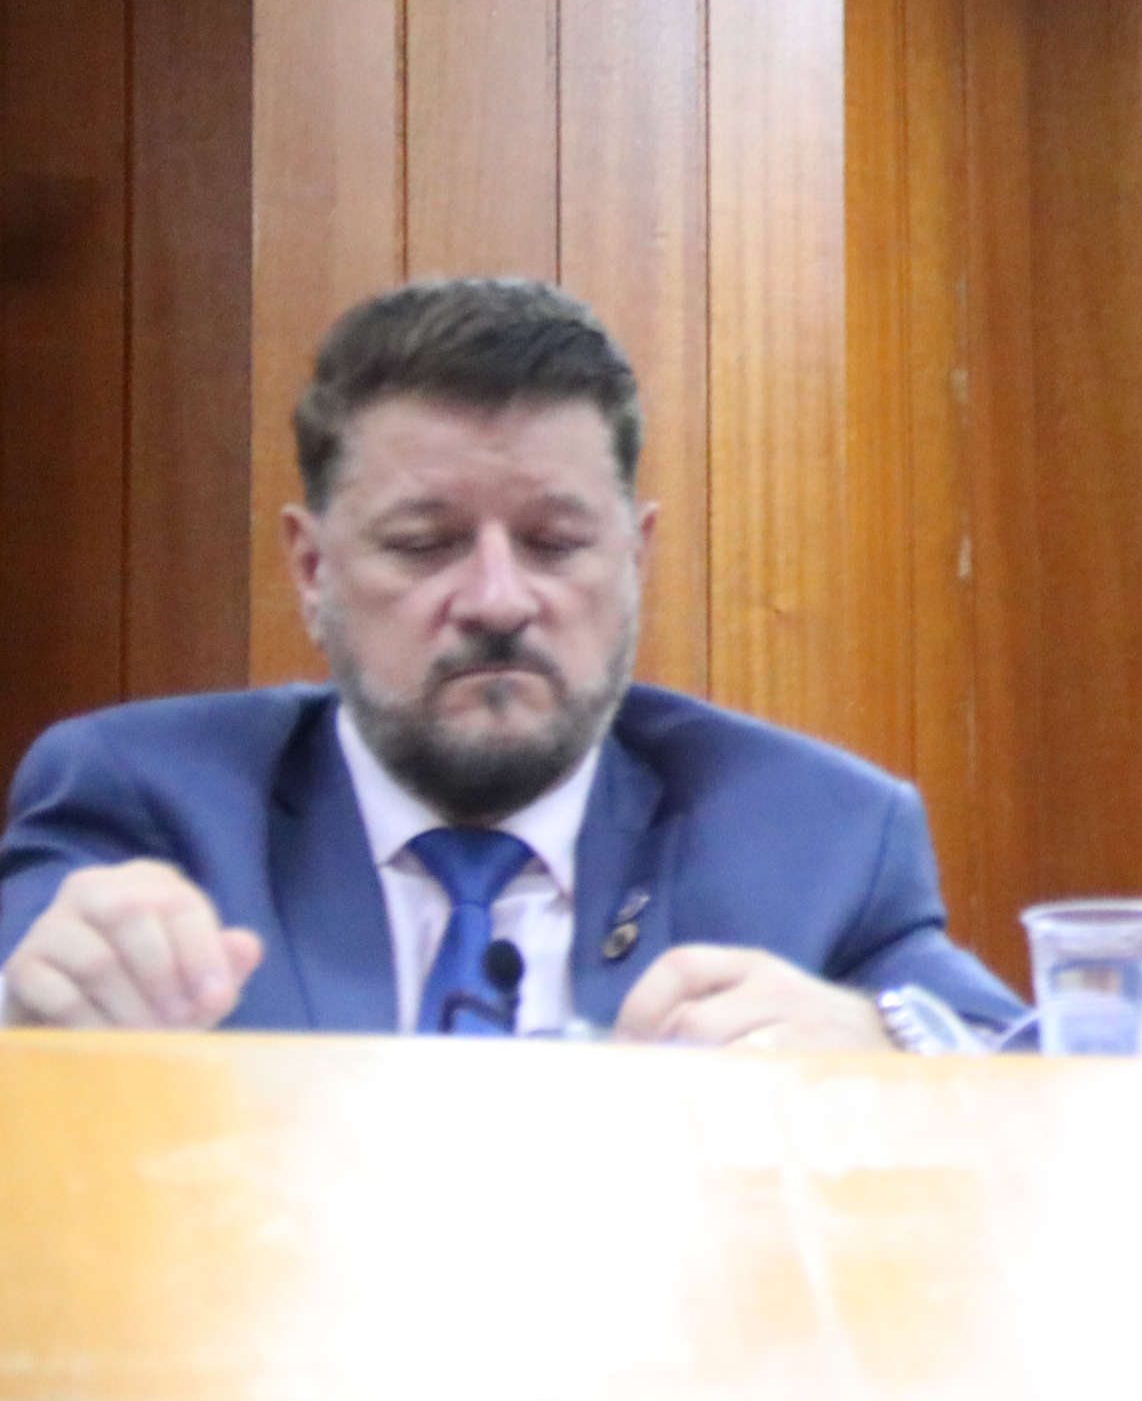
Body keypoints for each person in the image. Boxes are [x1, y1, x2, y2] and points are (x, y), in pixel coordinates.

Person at [1, 277, 1023, 1050]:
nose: (498, 600)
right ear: (312, 569)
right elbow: (27, 964)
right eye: (424, 544)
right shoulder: (150, 801)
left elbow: (1043, 1078)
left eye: (554, 543)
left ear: (636, 559)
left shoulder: (815, 834)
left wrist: (889, 1048)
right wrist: (27, 1003)